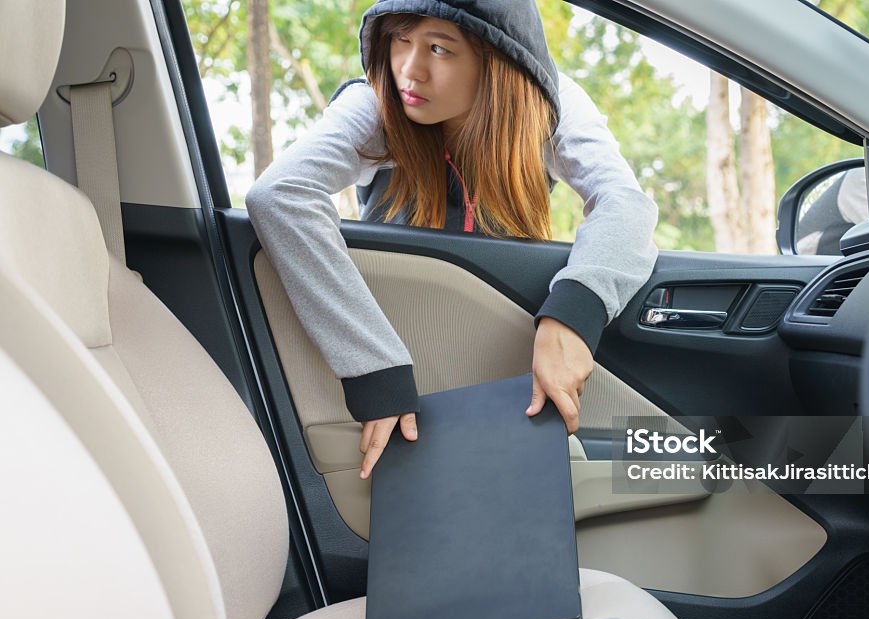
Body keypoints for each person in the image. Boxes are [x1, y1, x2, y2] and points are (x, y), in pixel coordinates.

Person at [245, 0, 658, 479]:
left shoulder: (550, 103)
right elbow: (280, 194)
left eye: (440, 48)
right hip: (398, 346)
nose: (410, 70)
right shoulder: (375, 102)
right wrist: (374, 371)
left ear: (497, 62)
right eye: (400, 40)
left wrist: (572, 316)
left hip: (496, 358)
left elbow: (625, 203)